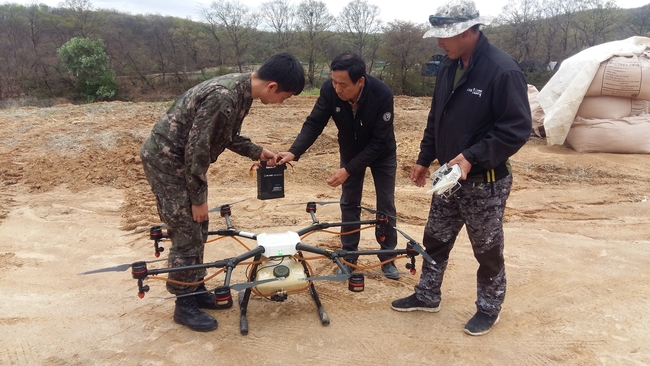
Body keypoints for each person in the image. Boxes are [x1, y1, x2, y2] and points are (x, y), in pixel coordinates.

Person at [390, 0, 532, 336]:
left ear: (469, 31)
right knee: (435, 238)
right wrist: (425, 158)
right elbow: (436, 118)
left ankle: (488, 308)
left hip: (485, 180)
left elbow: (516, 128)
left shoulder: (502, 70)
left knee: (487, 248)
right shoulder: (448, 66)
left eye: (446, 36)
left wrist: (472, 156)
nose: (440, 42)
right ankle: (427, 294)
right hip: (448, 179)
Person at [140, 52, 305, 332]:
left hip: (181, 162)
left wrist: (258, 151)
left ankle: (195, 288)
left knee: (198, 228)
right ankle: (184, 305)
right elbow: (197, 151)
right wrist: (198, 199)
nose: (282, 103)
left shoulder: (241, 92)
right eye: (285, 97)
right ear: (273, 86)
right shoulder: (224, 96)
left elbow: (227, 136)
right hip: (168, 162)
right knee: (188, 231)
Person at [276, 52, 400, 280]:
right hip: (351, 150)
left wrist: (348, 170)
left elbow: (379, 142)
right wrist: (294, 151)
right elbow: (315, 122)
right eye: (333, 81)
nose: (337, 89)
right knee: (349, 202)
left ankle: (388, 256)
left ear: (360, 81)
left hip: (381, 154)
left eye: (343, 84)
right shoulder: (329, 90)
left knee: (386, 205)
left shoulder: (381, 94)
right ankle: (349, 257)